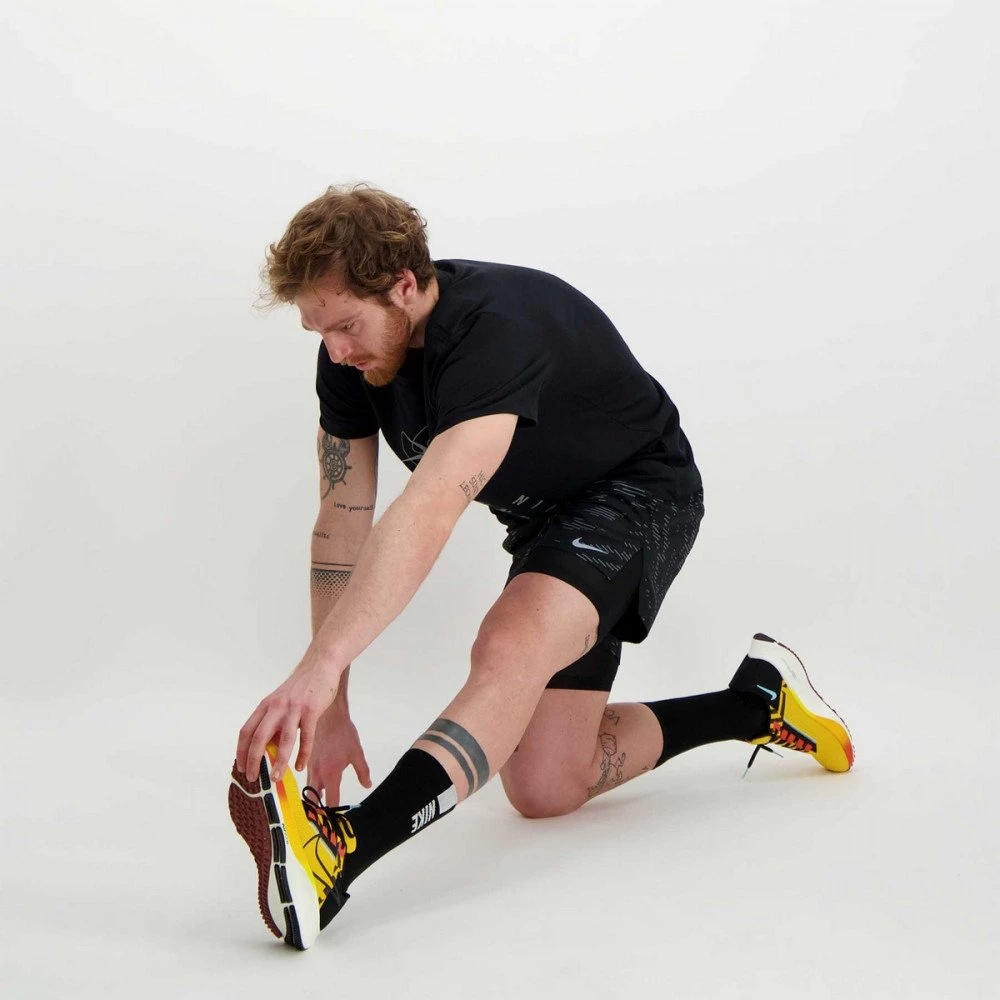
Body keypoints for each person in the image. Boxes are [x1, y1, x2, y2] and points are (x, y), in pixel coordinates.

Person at [228, 183, 854, 950]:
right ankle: (755, 703)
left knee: (509, 645)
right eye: (318, 331)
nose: (335, 352)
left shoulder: (494, 330)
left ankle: (343, 849)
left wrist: (321, 665)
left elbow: (430, 506)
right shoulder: (351, 362)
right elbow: (341, 525)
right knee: (547, 786)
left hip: (641, 493)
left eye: (346, 326)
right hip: (547, 520)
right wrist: (331, 706)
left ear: (403, 285)